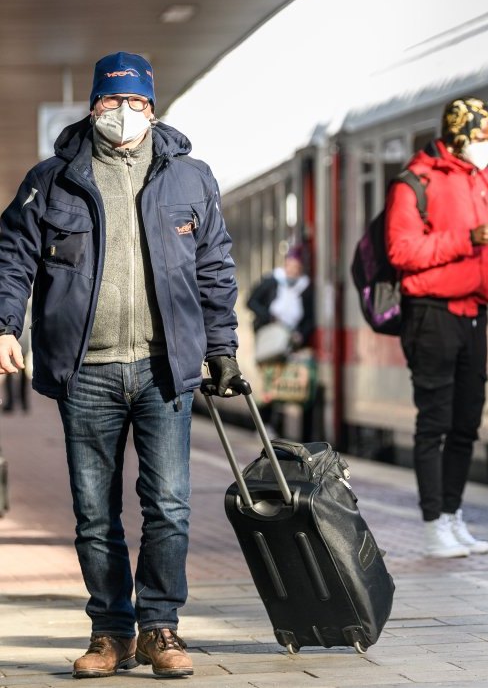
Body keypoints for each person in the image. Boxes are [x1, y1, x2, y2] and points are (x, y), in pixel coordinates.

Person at [0, 51, 244, 678]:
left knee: (169, 504)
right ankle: (111, 631)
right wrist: (4, 324)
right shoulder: (51, 179)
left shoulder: (191, 179)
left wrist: (222, 349)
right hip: (88, 373)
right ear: (92, 106)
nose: (124, 113)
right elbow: (12, 257)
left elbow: (214, 269)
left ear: (153, 108)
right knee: (93, 510)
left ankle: (161, 627)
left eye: (136, 102)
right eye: (113, 102)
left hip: (164, 370)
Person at [386, 97, 488, 559]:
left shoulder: (482, 179)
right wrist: (468, 239)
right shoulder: (415, 180)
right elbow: (402, 252)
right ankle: (431, 525)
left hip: (474, 313)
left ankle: (452, 516)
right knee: (435, 423)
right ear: (460, 135)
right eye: (483, 137)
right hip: (431, 313)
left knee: (466, 422)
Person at [246, 246, 315, 437]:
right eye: (290, 265)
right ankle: (266, 424)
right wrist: (269, 317)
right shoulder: (271, 281)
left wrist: (301, 334)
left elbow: (310, 317)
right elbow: (251, 301)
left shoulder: (305, 287)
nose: (292, 269)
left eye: (296, 266)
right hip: (271, 341)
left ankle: (296, 431)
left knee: (290, 384)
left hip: (292, 342)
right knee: (270, 381)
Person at [1, 302, 30, 414]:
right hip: (18, 331)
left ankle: (17, 402)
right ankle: (19, 402)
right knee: (12, 368)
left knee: (16, 368)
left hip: (20, 332)